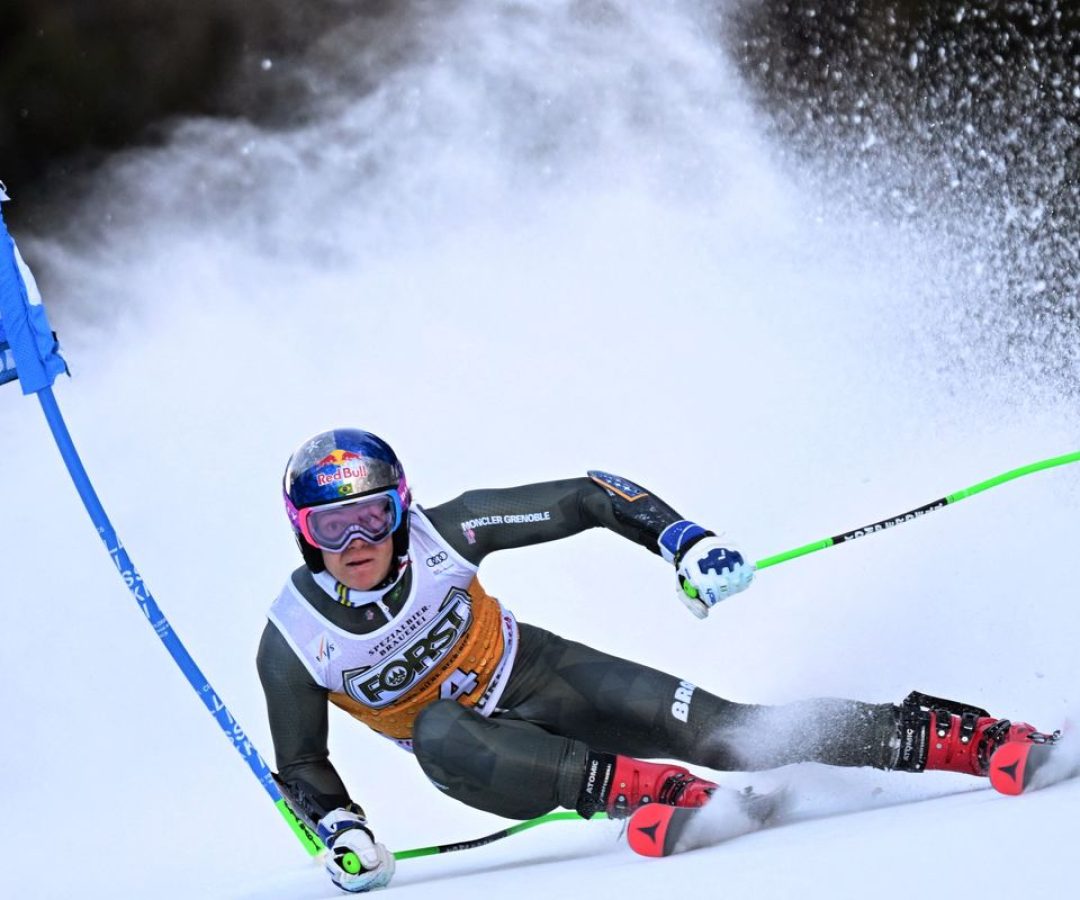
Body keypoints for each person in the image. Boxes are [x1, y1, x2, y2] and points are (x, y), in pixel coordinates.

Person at [258, 428, 1045, 893]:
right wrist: (342, 832)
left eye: (372, 517)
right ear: (303, 533)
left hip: (543, 673)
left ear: (401, 509)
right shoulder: (295, 637)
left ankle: (967, 739)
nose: (355, 543)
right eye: (331, 528)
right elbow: (301, 761)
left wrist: (684, 540)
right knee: (436, 727)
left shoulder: (448, 533)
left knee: (733, 734)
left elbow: (589, 493)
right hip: (485, 761)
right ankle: (656, 793)